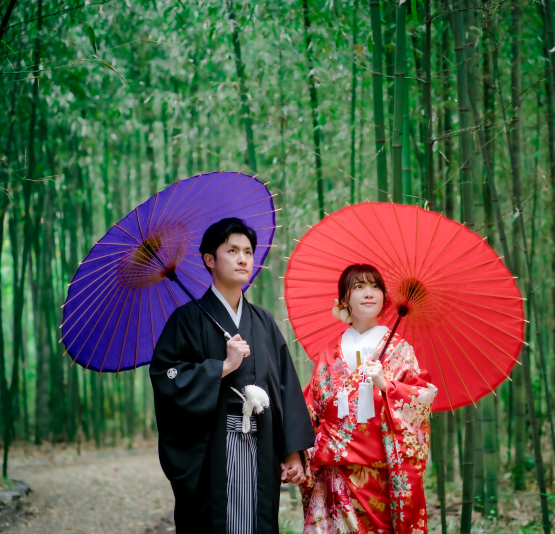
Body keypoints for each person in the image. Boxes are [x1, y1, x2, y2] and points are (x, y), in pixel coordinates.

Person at [149, 217, 315, 534]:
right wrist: (221, 367)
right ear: (210, 260)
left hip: (261, 443)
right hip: (212, 447)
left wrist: (292, 451)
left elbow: (285, 388)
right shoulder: (186, 319)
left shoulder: (264, 322)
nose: (243, 259)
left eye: (248, 252)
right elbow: (166, 375)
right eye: (233, 250)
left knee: (256, 521)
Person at [299, 264, 437, 534]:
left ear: (385, 298)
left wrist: (388, 386)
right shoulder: (329, 352)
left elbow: (420, 401)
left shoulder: (399, 350)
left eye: (375, 287)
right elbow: (311, 406)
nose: (369, 293)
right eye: (359, 287)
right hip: (333, 472)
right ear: (343, 300)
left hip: (378, 476)